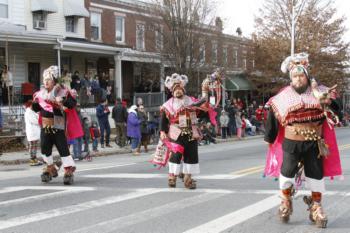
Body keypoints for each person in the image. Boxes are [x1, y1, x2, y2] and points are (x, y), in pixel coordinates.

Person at [264, 53, 342, 228]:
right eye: (295, 76)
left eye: (301, 75)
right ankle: (285, 201)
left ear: (306, 76)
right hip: (292, 142)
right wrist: (269, 137)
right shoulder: (283, 96)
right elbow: (273, 117)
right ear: (291, 78)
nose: (298, 79)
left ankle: (316, 206)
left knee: (316, 174)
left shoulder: (320, 91)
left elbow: (338, 110)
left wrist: (327, 101)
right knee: (287, 171)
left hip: (315, 142)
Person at [32, 66, 77, 185]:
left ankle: (68, 170)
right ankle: (50, 167)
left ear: (54, 80)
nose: (45, 82)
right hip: (45, 124)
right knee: (44, 148)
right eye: (44, 79)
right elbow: (35, 108)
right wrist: (35, 103)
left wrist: (62, 101)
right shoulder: (40, 94)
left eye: (48, 79)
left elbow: (72, 103)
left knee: (63, 148)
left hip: (58, 123)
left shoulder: (62, 91)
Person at [160, 73, 205, 189]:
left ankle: (188, 179)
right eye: (175, 90)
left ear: (183, 90)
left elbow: (203, 110)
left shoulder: (192, 101)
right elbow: (164, 119)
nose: (178, 92)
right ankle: (172, 177)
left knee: (191, 156)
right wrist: (162, 131)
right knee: (175, 155)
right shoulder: (168, 105)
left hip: (191, 132)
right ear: (172, 92)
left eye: (179, 89)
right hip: (176, 133)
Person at [24, 100, 43, 166]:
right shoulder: (29, 112)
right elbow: (35, 121)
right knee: (32, 146)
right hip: (32, 131)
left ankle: (34, 159)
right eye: (32, 105)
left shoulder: (31, 111)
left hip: (34, 131)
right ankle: (32, 159)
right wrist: (40, 119)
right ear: (30, 105)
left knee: (34, 146)